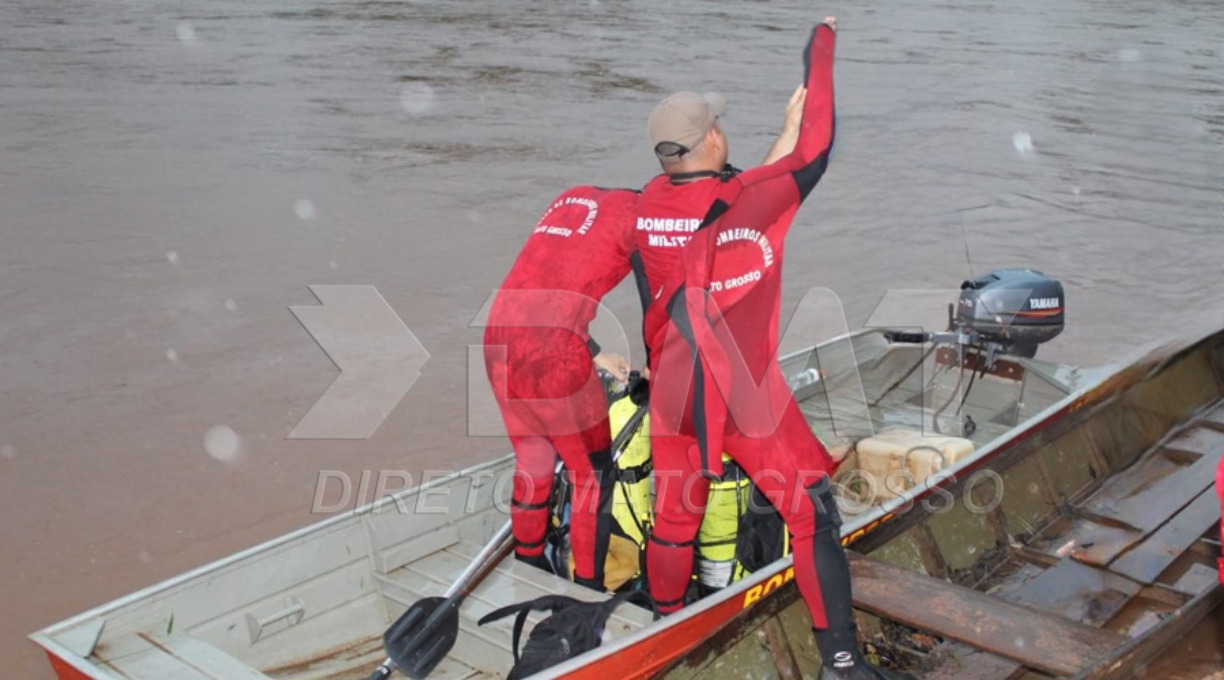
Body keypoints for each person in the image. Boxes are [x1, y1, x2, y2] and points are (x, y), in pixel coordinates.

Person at [636, 18, 912, 680]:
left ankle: (660, 633)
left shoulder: (647, 206)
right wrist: (822, 45)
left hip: (676, 391)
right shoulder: (755, 202)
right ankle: (841, 664)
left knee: (675, 519)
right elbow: (815, 149)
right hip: (743, 394)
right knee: (811, 509)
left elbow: (729, 197)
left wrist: (779, 142)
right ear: (712, 138)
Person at [484, 185, 636, 591]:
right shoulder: (648, 220)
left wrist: (595, 352)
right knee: (592, 477)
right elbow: (663, 304)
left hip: (499, 338)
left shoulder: (575, 196)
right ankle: (585, 594)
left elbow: (549, 287)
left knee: (534, 462)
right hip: (552, 357)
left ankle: (529, 567)